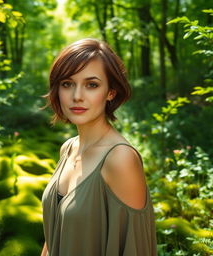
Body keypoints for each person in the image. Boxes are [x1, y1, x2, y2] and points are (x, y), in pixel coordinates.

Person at [41, 38, 157, 256]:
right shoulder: (68, 149)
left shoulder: (120, 159)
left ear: (110, 92)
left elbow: (136, 248)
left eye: (91, 85)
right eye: (67, 84)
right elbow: (53, 236)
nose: (77, 96)